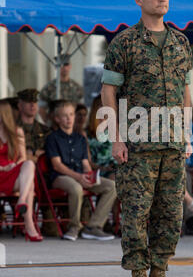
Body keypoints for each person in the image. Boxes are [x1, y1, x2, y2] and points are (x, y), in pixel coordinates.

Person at [101, 0, 192, 277]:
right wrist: (116, 137)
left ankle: (159, 275)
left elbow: (185, 92)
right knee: (137, 211)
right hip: (138, 143)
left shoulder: (181, 42)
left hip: (172, 142)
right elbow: (108, 92)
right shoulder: (124, 42)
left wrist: (188, 135)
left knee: (170, 212)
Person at [45, 101, 117, 241]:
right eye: (65, 116)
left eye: (71, 114)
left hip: (80, 176)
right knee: (76, 187)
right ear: (57, 119)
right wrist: (79, 177)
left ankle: (93, 227)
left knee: (112, 186)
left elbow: (85, 163)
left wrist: (90, 177)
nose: (69, 118)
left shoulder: (80, 138)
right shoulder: (52, 138)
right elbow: (57, 166)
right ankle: (74, 227)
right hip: (61, 177)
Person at [0, 99, 42, 241]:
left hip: (12, 174)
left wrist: (13, 165)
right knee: (29, 186)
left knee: (29, 164)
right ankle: (30, 228)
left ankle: (22, 200)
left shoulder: (17, 132)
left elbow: (22, 158)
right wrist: (2, 167)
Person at [38, 54, 84, 124]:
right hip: (55, 127)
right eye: (61, 65)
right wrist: (49, 123)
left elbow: (81, 109)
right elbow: (41, 109)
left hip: (72, 126)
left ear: (70, 66)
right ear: (56, 67)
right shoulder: (49, 88)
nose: (64, 68)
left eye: (66, 64)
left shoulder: (77, 87)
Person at [16, 89, 50, 162]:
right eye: (28, 102)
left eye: (35, 102)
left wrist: (32, 153)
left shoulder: (45, 130)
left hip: (41, 170)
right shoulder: (12, 129)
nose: (32, 105)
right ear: (20, 105)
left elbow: (51, 154)